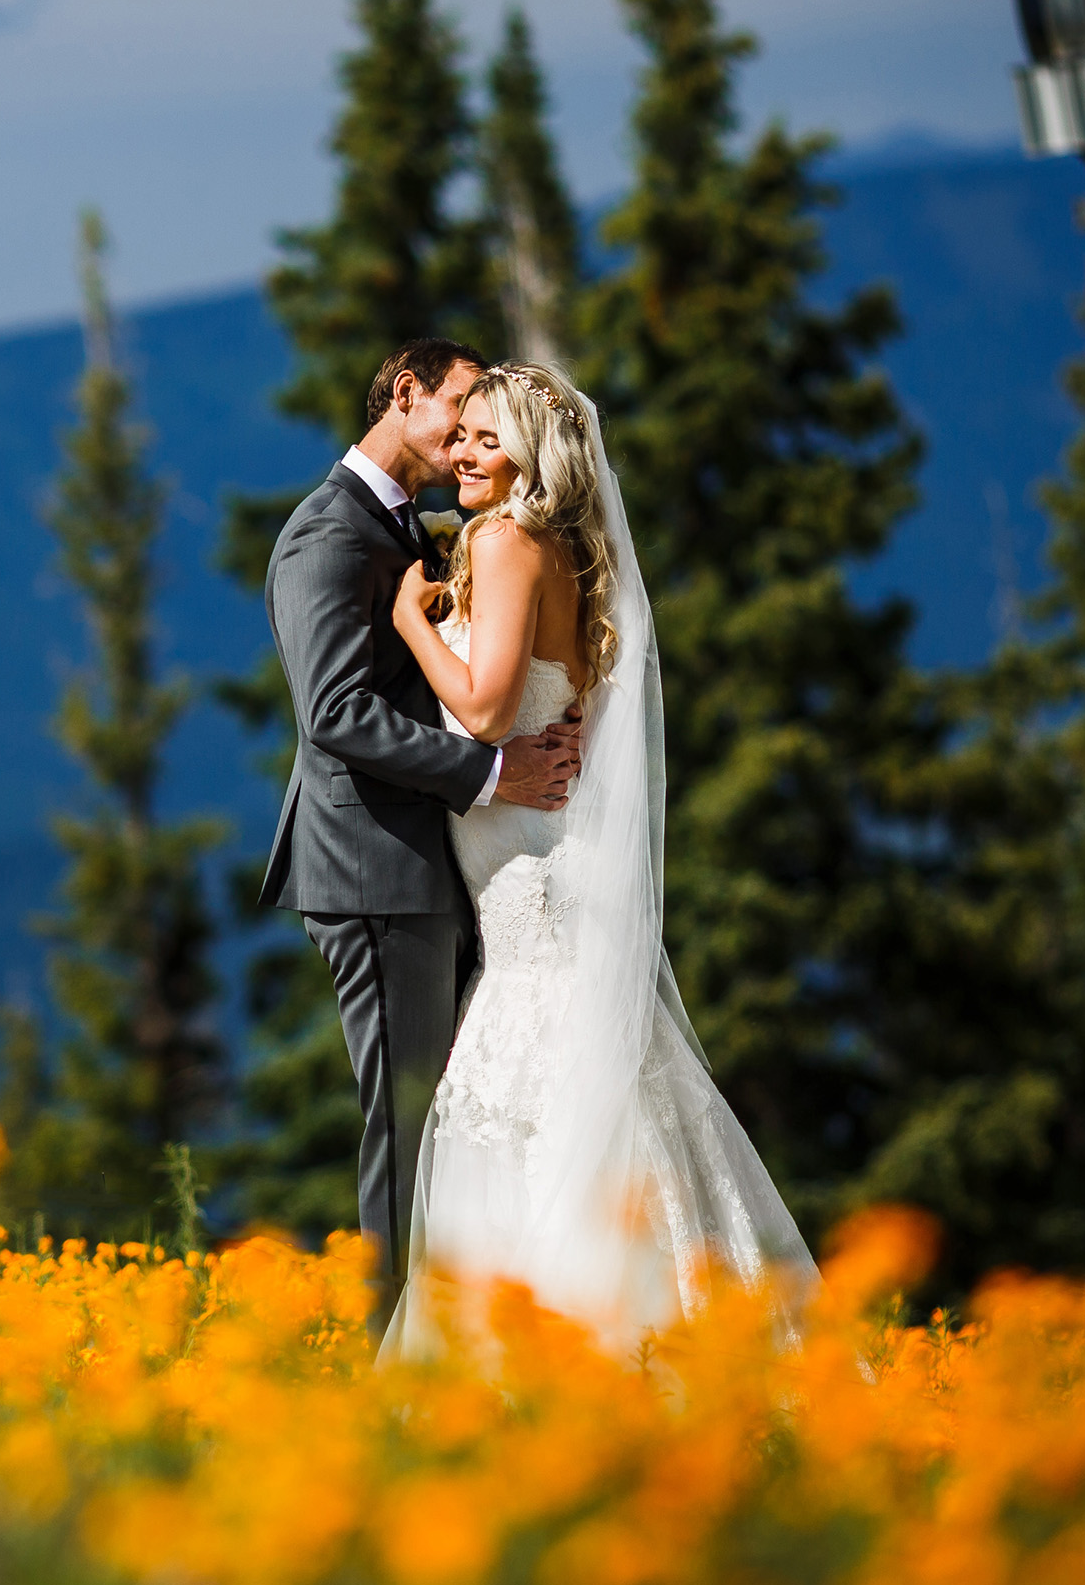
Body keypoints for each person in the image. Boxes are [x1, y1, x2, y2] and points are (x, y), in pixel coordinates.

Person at [381, 360, 814, 1350]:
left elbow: (487, 709)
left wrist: (410, 619)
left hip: (531, 877)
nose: (465, 457)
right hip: (543, 861)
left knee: (528, 1093)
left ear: (534, 460)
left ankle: (575, 1342)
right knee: (596, 1087)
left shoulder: (499, 541)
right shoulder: (563, 548)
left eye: (490, 442)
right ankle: (670, 1328)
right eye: (465, 437)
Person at [256, 338, 582, 1341]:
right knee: (404, 1131)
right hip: (374, 870)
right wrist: (494, 770)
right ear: (404, 393)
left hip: (435, 863)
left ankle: (455, 1339)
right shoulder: (330, 535)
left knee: (452, 1122)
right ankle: (384, 1360)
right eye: (457, 411)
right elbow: (336, 715)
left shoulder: (412, 527)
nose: (465, 441)